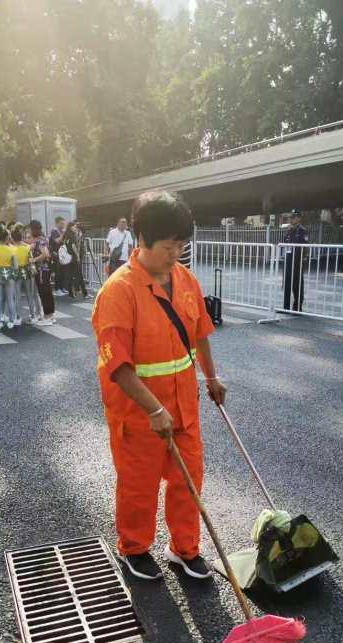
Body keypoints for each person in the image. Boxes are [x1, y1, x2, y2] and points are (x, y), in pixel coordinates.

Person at [91, 191, 226, 581]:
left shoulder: (185, 279)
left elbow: (199, 333)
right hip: (137, 414)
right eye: (169, 246)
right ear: (142, 240)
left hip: (184, 406)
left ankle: (184, 549)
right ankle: (134, 548)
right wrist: (153, 408)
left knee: (188, 480)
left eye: (182, 244)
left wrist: (211, 377)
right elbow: (116, 365)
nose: (176, 253)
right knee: (139, 485)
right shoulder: (118, 292)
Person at [29, 220, 56, 326]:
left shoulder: (40, 240)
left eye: (30, 229)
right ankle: (50, 315)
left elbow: (46, 254)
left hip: (41, 270)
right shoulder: (41, 239)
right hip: (43, 269)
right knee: (47, 292)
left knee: (44, 292)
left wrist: (34, 260)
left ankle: (47, 316)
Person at [282, 210, 308, 312]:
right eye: (290, 217)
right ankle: (286, 307)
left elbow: (305, 247)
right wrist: (290, 230)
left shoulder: (302, 230)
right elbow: (284, 242)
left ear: (298, 218)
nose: (290, 219)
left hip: (297, 261)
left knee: (297, 285)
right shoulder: (290, 230)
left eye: (293, 217)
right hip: (288, 260)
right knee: (287, 284)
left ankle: (297, 307)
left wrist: (303, 260)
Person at [10, 225, 34, 324]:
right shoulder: (27, 248)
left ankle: (18, 316)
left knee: (17, 295)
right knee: (29, 294)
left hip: (16, 271)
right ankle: (32, 315)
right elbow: (31, 260)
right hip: (26, 270)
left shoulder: (11, 249)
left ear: (12, 238)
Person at [49, 216, 67, 296]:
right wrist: (63, 234)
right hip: (55, 254)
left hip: (62, 254)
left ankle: (62, 287)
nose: (63, 225)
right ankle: (57, 289)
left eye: (64, 223)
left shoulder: (62, 232)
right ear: (57, 224)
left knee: (63, 272)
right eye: (61, 223)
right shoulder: (54, 232)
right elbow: (57, 241)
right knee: (58, 272)